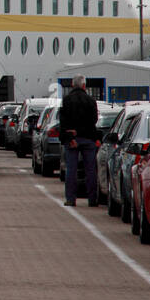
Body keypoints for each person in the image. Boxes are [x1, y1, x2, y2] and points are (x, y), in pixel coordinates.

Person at [59, 74, 99, 207]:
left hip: (73, 139)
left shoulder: (67, 100)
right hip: (88, 138)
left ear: (72, 85)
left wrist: (71, 136)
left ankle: (71, 199)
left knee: (71, 169)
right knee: (91, 170)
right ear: (84, 86)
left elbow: (63, 121)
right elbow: (94, 120)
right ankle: (92, 199)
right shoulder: (91, 101)